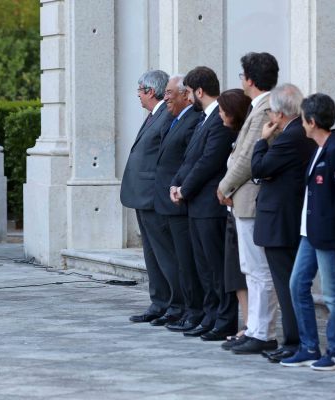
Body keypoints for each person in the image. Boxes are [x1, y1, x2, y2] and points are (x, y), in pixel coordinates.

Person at [279, 93, 335, 371]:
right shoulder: (319, 148)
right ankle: (309, 346)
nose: (302, 125)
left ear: (311, 121)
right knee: (297, 285)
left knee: (333, 294)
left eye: (304, 120)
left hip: (327, 234)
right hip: (308, 232)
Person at [217, 52, 279, 354]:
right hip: (242, 200)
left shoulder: (265, 107)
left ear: (251, 80)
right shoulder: (259, 107)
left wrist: (224, 184)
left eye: (243, 76)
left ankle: (263, 331)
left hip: (250, 198)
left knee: (258, 269)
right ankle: (254, 327)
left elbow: (248, 158)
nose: (241, 82)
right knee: (249, 268)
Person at [171, 66, 238, 340]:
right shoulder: (204, 119)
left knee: (216, 267)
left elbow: (208, 162)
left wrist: (184, 189)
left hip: (210, 206)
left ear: (199, 91)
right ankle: (210, 316)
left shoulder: (218, 121)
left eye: (188, 92)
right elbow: (190, 160)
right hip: (196, 204)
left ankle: (224, 320)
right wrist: (176, 185)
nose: (187, 98)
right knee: (204, 268)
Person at [251, 83, 316, 363]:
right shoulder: (297, 133)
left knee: (287, 284)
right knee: (288, 283)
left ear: (278, 113)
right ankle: (295, 340)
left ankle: (294, 342)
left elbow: (261, 168)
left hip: (281, 220)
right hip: (286, 218)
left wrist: (261, 141)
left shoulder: (290, 136)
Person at [121, 70, 183, 325]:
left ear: (150, 91)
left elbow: (168, 158)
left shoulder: (166, 115)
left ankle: (175, 304)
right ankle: (158, 301)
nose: (137, 94)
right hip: (142, 196)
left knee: (165, 253)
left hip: (155, 196)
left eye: (139, 90)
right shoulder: (153, 116)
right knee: (151, 253)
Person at [155, 75, 205, 332]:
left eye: (170, 93)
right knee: (178, 262)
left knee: (187, 263)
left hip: (180, 203)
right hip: (167, 201)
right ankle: (184, 308)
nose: (165, 97)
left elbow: (190, 161)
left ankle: (193, 310)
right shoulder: (173, 120)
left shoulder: (193, 120)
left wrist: (180, 188)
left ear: (187, 95)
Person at [216, 89, 251, 343]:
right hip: (231, 211)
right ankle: (248, 325)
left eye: (222, 110)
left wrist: (225, 189)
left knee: (249, 273)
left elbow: (246, 170)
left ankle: (252, 325)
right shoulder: (235, 137)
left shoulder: (246, 137)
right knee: (235, 274)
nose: (219, 115)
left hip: (244, 210)